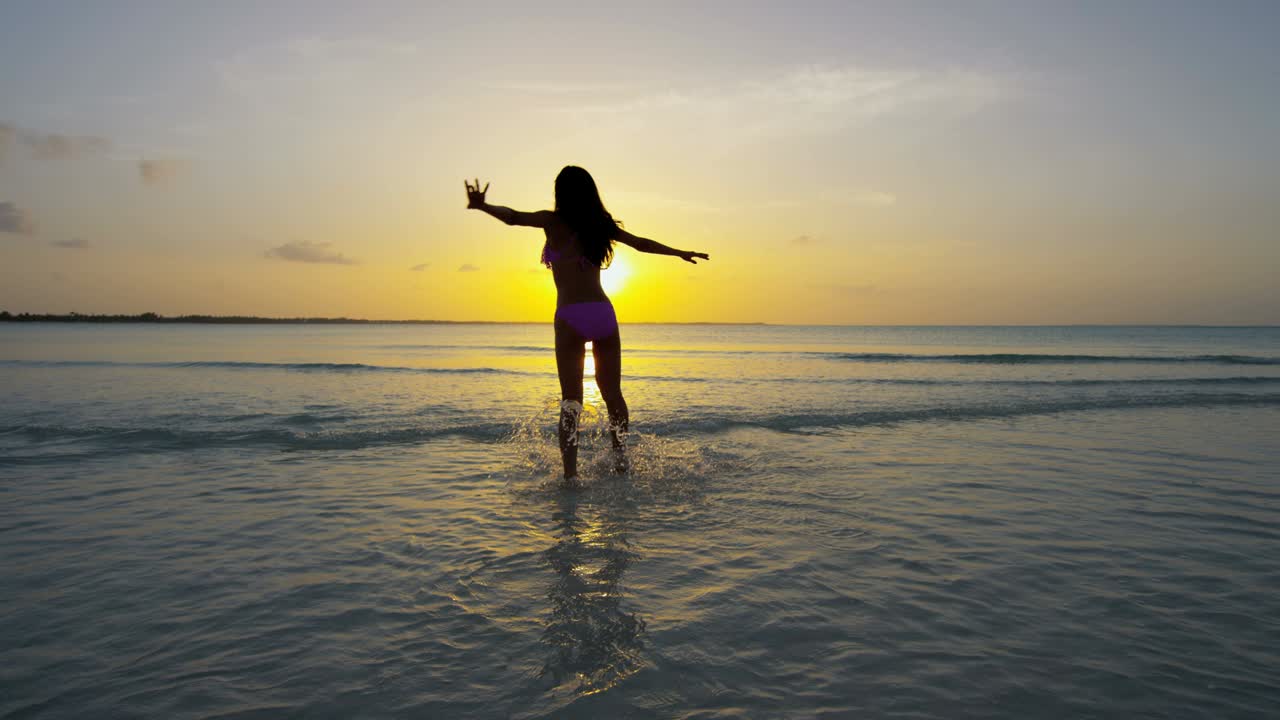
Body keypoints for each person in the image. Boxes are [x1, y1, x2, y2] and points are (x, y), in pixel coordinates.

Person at [465, 166, 709, 488]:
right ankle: (620, 460)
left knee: (571, 401)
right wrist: (679, 253)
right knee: (613, 395)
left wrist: (482, 206)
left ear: (560, 193)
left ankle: (570, 476)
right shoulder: (600, 226)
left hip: (569, 316)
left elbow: (512, 217)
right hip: (602, 313)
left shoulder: (552, 222)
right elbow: (640, 244)